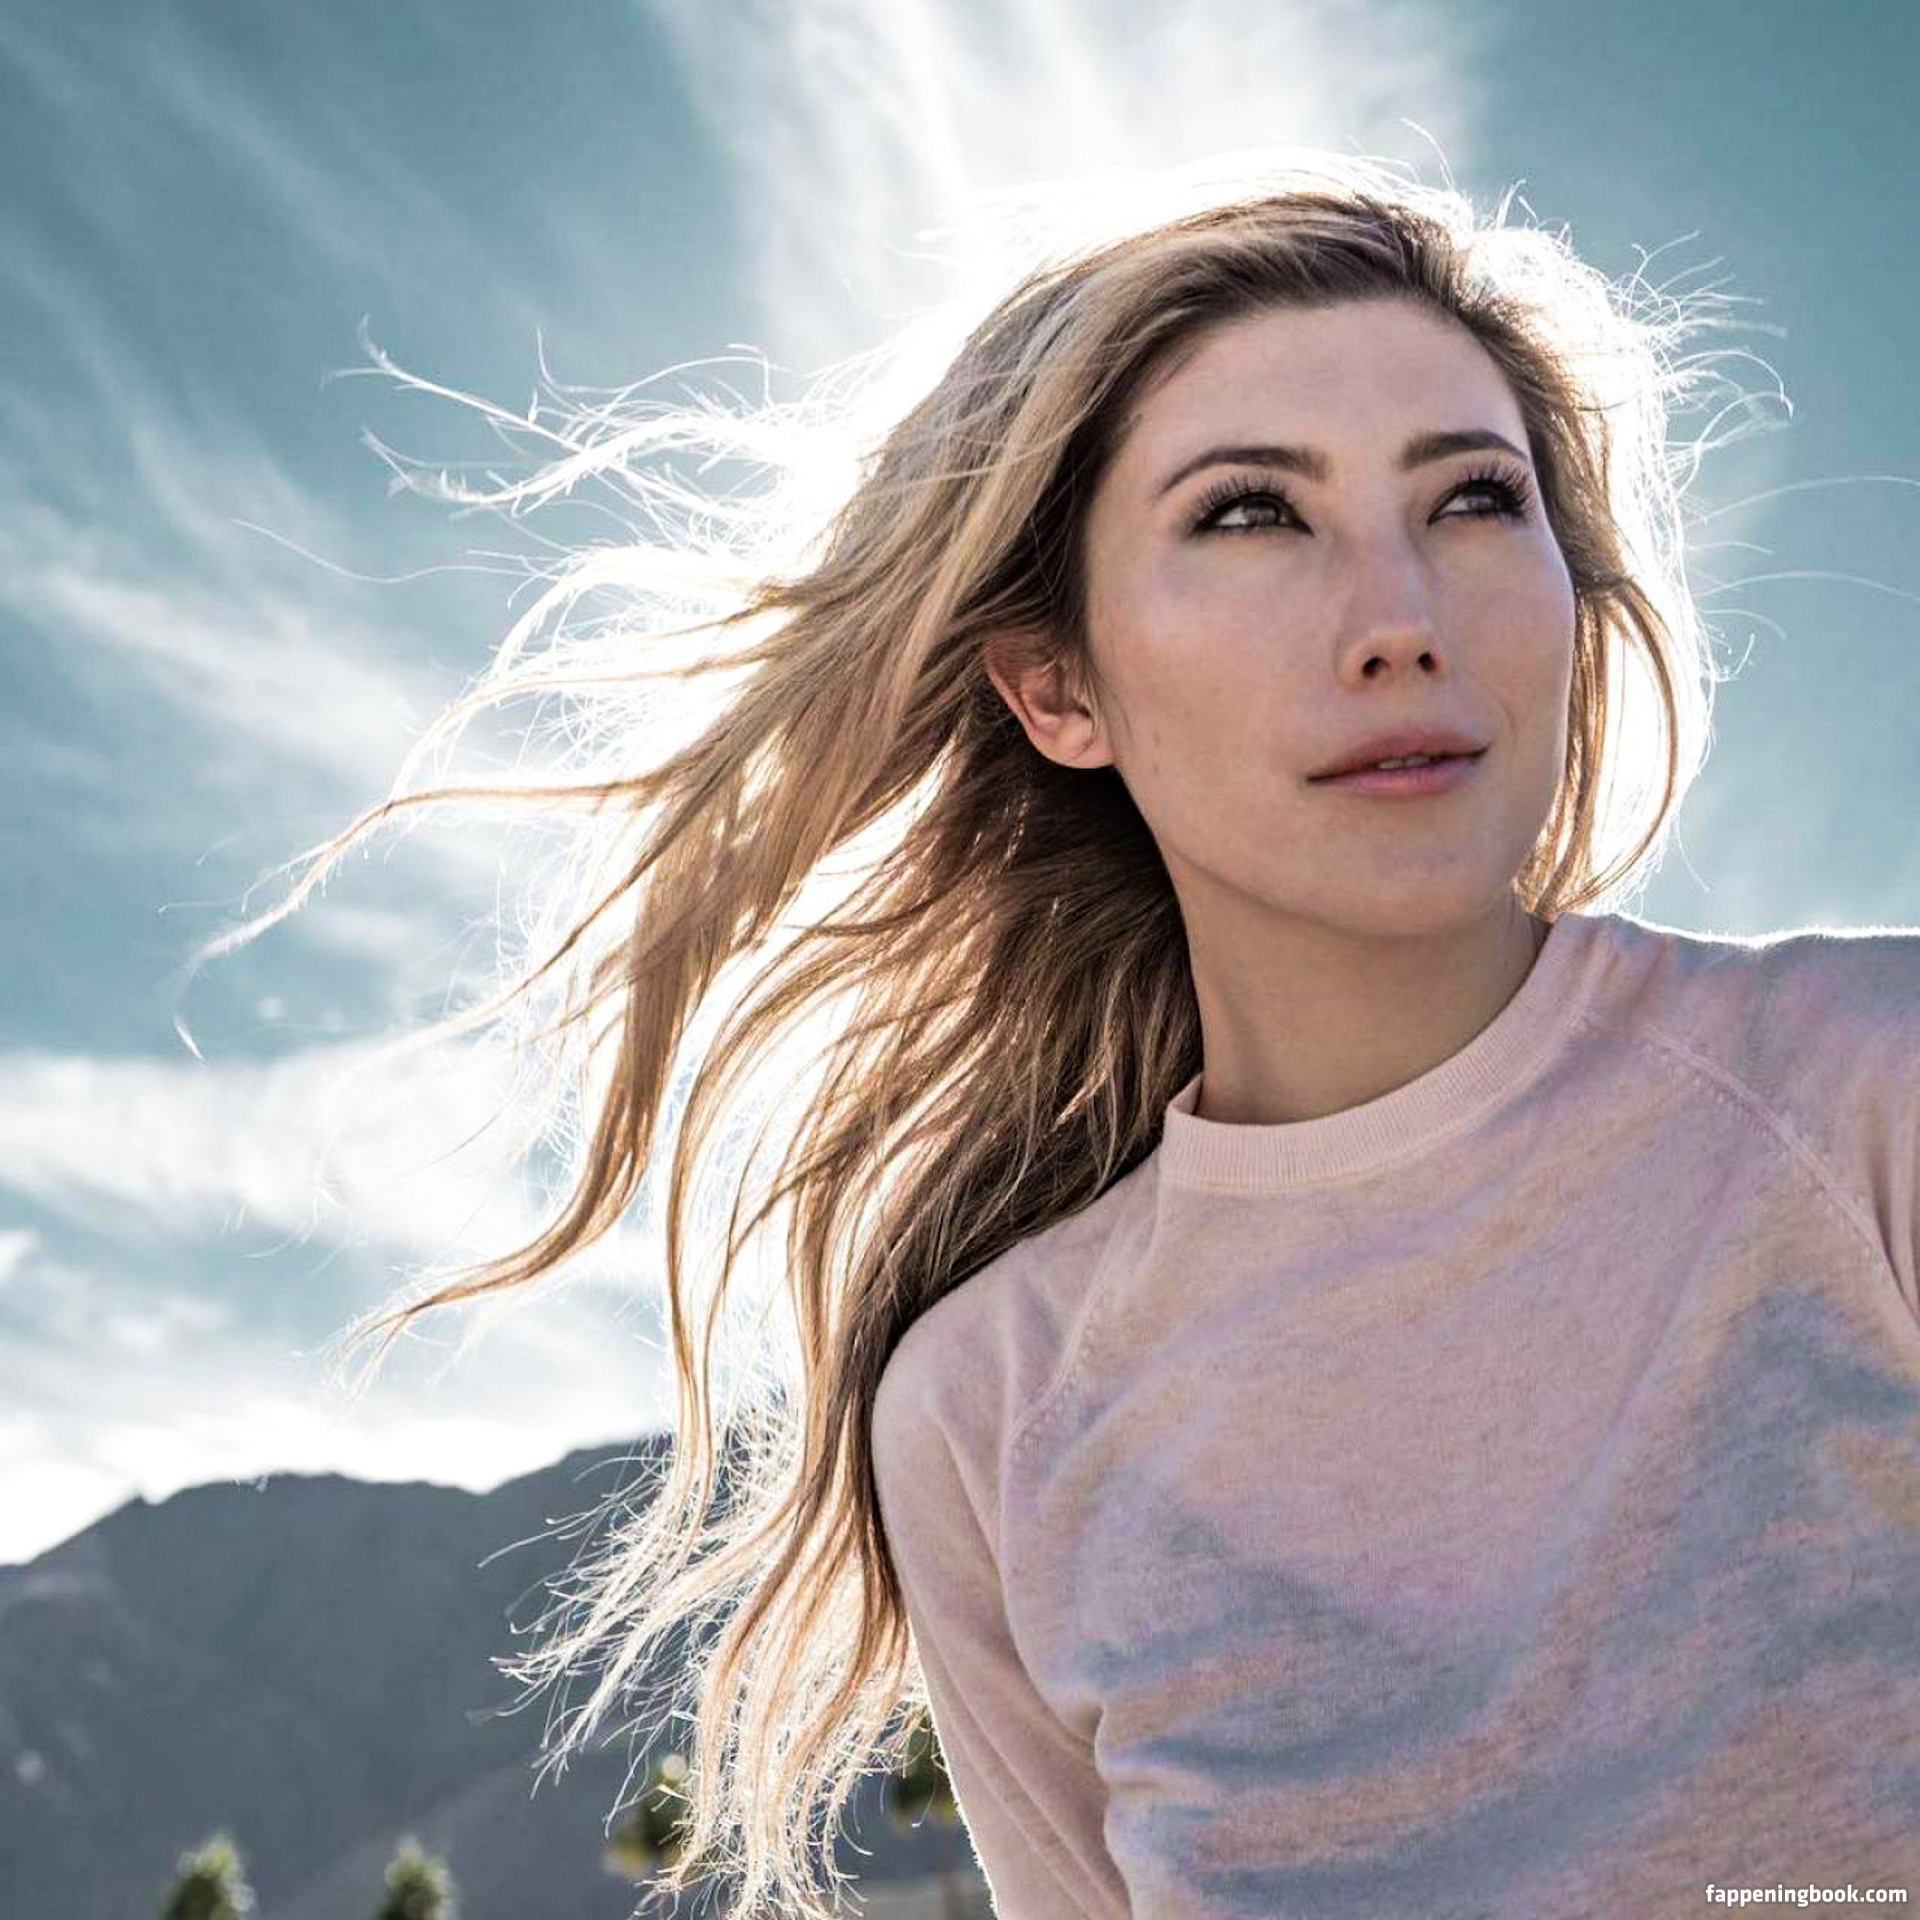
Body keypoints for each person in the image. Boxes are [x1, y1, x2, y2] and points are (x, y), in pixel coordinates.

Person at [204, 152, 1920, 1916]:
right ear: (1058, 688)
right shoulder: (989, 1408)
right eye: (1251, 515)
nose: (1403, 622)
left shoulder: (1871, 1091)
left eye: (1475, 499)